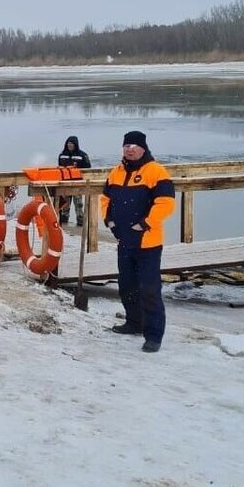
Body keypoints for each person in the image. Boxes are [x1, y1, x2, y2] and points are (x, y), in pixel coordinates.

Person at [100, 130, 176, 353]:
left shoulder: (156, 171)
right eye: (126, 146)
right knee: (127, 286)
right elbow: (105, 199)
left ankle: (153, 335)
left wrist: (145, 223)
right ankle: (134, 323)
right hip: (124, 241)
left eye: (134, 145)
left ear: (143, 148)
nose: (130, 149)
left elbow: (166, 203)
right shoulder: (116, 172)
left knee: (149, 289)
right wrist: (109, 220)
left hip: (148, 243)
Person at [56, 135, 91, 226]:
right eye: (68, 143)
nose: (70, 145)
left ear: (75, 144)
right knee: (65, 205)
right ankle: (64, 222)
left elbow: (88, 169)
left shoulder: (82, 155)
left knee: (78, 204)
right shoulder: (62, 155)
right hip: (65, 184)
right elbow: (59, 168)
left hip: (77, 184)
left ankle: (80, 222)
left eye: (71, 143)